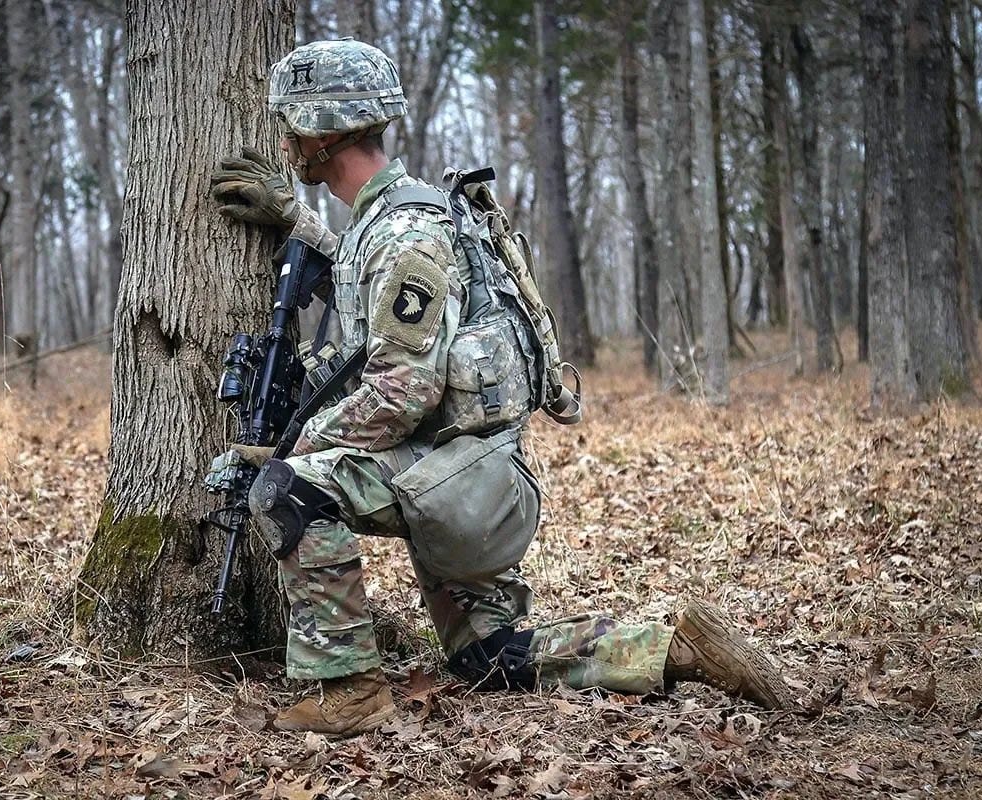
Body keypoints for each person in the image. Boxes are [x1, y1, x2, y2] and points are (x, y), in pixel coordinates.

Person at [206, 39, 790, 736]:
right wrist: (299, 223)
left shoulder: (405, 232)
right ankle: (678, 650)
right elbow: (378, 292)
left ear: (325, 133)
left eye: (292, 126)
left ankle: (347, 689)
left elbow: (401, 392)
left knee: (289, 490)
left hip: (453, 479)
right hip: (466, 470)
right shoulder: (397, 220)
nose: (284, 140)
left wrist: (290, 453)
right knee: (493, 658)